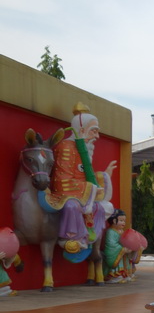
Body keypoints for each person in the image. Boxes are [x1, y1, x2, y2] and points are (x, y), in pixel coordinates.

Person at [45, 103, 116, 258]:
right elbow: (61, 181)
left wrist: (104, 176)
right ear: (81, 130)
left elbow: (85, 175)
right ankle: (71, 239)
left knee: (107, 207)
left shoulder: (83, 148)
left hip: (84, 194)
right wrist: (90, 189)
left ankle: (86, 237)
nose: (97, 137)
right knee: (71, 206)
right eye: (94, 131)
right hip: (66, 194)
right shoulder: (66, 147)